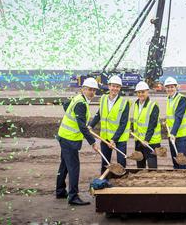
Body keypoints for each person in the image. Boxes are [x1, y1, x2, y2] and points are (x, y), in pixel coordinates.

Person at [56, 77, 99, 205]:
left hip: (63, 136)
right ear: (83, 89)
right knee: (74, 167)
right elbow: (82, 126)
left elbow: (65, 105)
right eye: (89, 89)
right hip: (69, 139)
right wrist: (93, 142)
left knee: (64, 165)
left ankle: (60, 191)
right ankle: (73, 196)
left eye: (94, 90)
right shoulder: (81, 103)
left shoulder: (77, 98)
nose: (92, 92)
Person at [89, 75, 130, 173]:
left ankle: (121, 180)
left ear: (120, 88)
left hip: (120, 138)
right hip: (105, 136)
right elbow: (99, 114)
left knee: (121, 162)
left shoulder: (124, 103)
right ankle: (104, 180)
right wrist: (91, 125)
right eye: (113, 86)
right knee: (105, 161)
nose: (115, 88)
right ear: (109, 86)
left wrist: (114, 139)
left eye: (117, 86)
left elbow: (123, 123)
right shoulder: (103, 99)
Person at [164, 77, 186, 169]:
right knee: (175, 159)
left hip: (182, 134)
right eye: (168, 87)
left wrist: (173, 133)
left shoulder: (181, 99)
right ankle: (177, 177)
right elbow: (172, 116)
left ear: (176, 87)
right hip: (173, 134)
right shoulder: (169, 99)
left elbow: (179, 117)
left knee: (181, 160)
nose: (170, 89)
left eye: (172, 87)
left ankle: (184, 178)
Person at [132, 81, 161, 168]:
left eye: (143, 92)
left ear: (147, 92)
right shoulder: (136, 104)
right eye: (139, 92)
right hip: (139, 141)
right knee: (140, 166)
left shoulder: (153, 106)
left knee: (152, 167)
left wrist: (147, 140)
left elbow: (152, 124)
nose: (141, 94)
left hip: (151, 142)